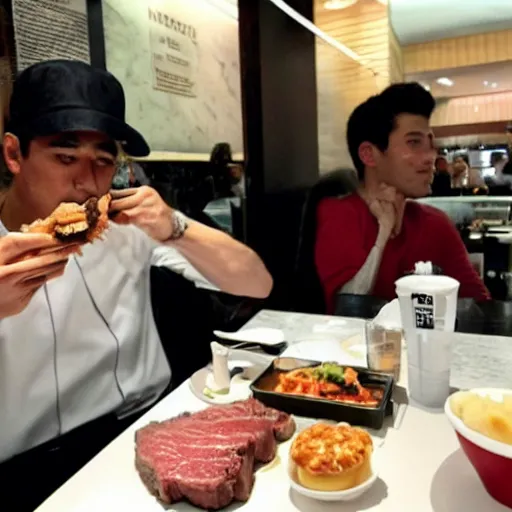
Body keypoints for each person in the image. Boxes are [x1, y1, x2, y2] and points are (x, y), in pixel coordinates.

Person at [0, 59, 273, 510]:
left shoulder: (128, 230)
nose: (87, 182)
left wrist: (175, 226)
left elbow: (256, 283)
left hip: (153, 430)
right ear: (14, 154)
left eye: (103, 161)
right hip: (31, 471)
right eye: (65, 157)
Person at [315, 83, 489, 313]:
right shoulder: (339, 213)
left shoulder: (435, 223)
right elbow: (347, 310)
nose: (430, 157)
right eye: (414, 142)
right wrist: (383, 234)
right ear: (369, 154)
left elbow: (481, 309)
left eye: (430, 144)